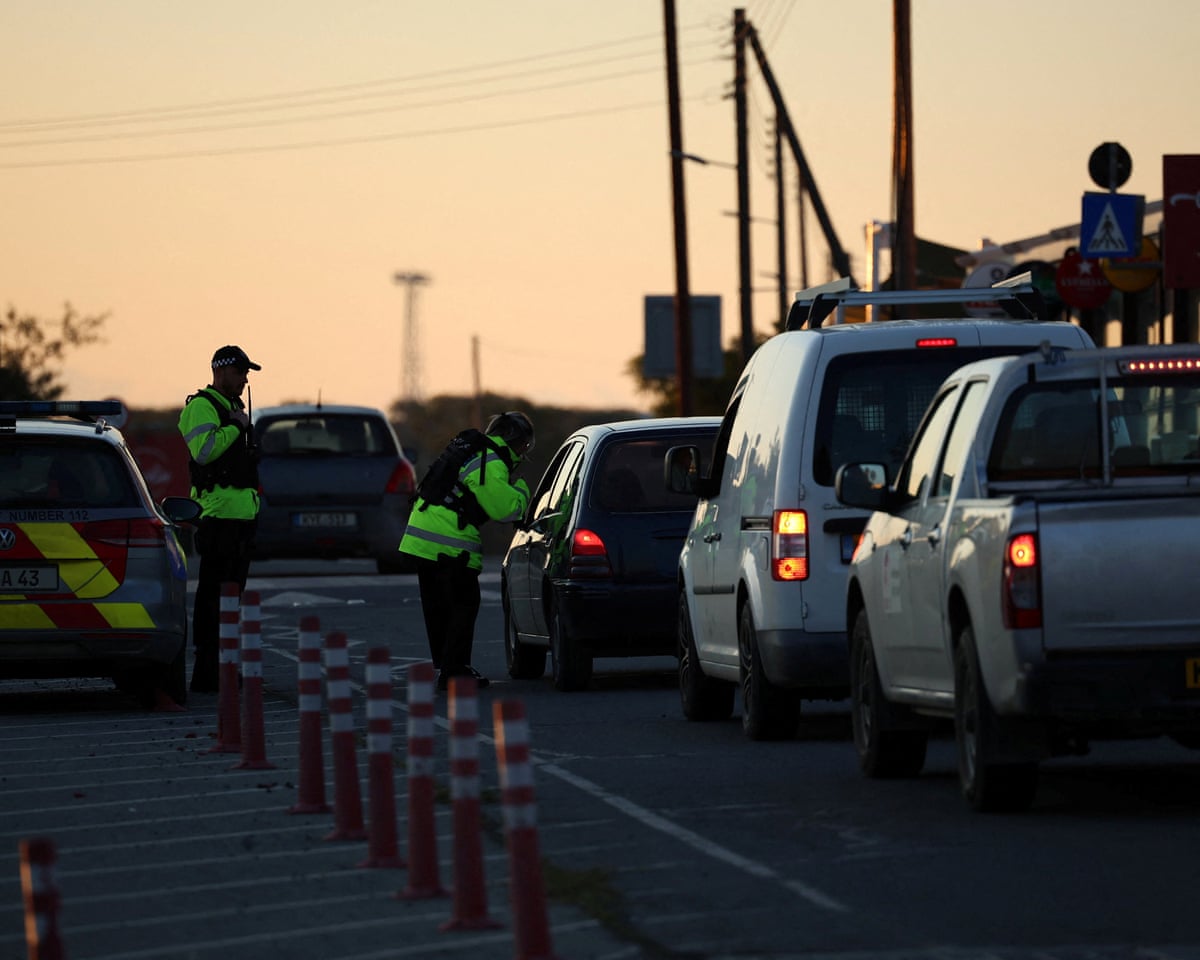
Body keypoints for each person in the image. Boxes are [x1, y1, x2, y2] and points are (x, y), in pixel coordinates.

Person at [399, 411, 534, 690]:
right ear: (515, 440)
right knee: (464, 604)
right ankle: (454, 671)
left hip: (420, 537)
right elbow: (505, 509)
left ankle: (448, 667)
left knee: (438, 606)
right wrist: (522, 489)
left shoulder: (473, 451)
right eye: (525, 445)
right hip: (447, 540)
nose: (524, 452)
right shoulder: (491, 460)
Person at [178, 345, 262, 693]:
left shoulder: (232, 409)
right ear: (222, 371)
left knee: (231, 600)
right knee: (213, 599)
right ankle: (207, 673)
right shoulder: (202, 407)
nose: (245, 380)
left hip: (240, 519)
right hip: (217, 519)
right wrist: (235, 426)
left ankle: (225, 668)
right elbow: (205, 450)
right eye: (241, 372)